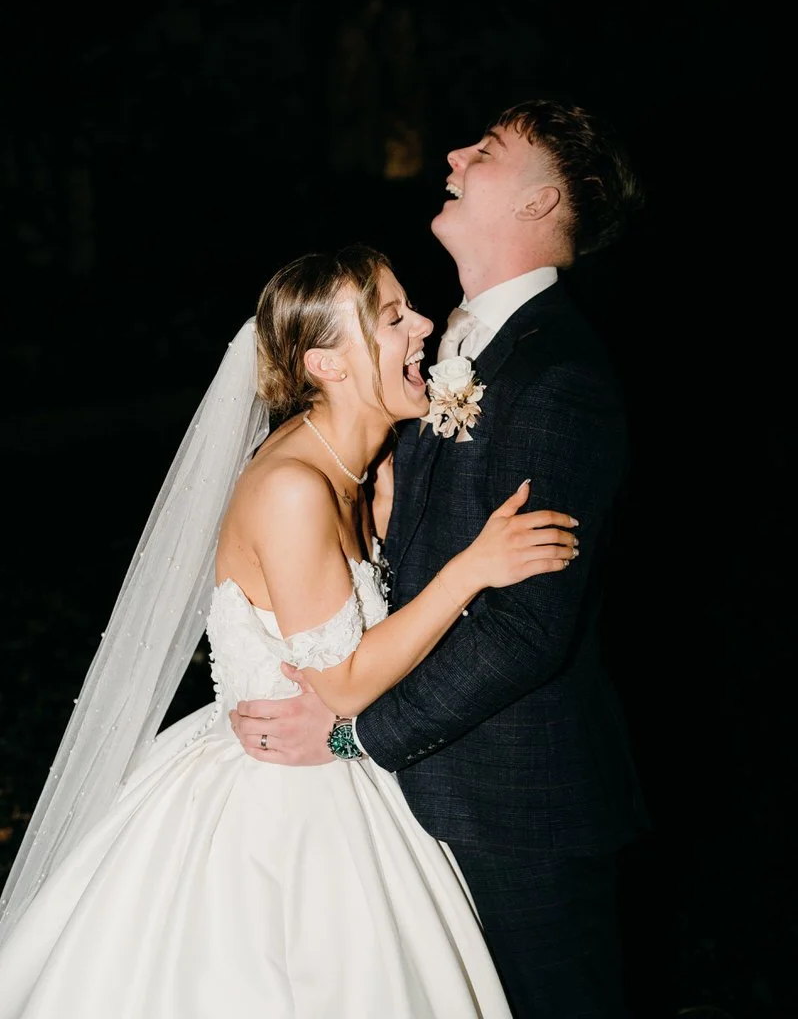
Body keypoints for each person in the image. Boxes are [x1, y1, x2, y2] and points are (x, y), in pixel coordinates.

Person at [0, 245, 581, 1018]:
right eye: (393, 316)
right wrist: (470, 570)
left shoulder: (363, 467)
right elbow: (339, 682)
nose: (424, 323)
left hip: (346, 772)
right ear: (329, 364)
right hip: (277, 809)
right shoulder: (293, 488)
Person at [230, 98, 650, 1018]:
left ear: (541, 205)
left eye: (488, 150)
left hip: (515, 810)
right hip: (416, 805)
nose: (453, 151)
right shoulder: (445, 349)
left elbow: (525, 633)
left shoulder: (556, 379)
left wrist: (353, 738)